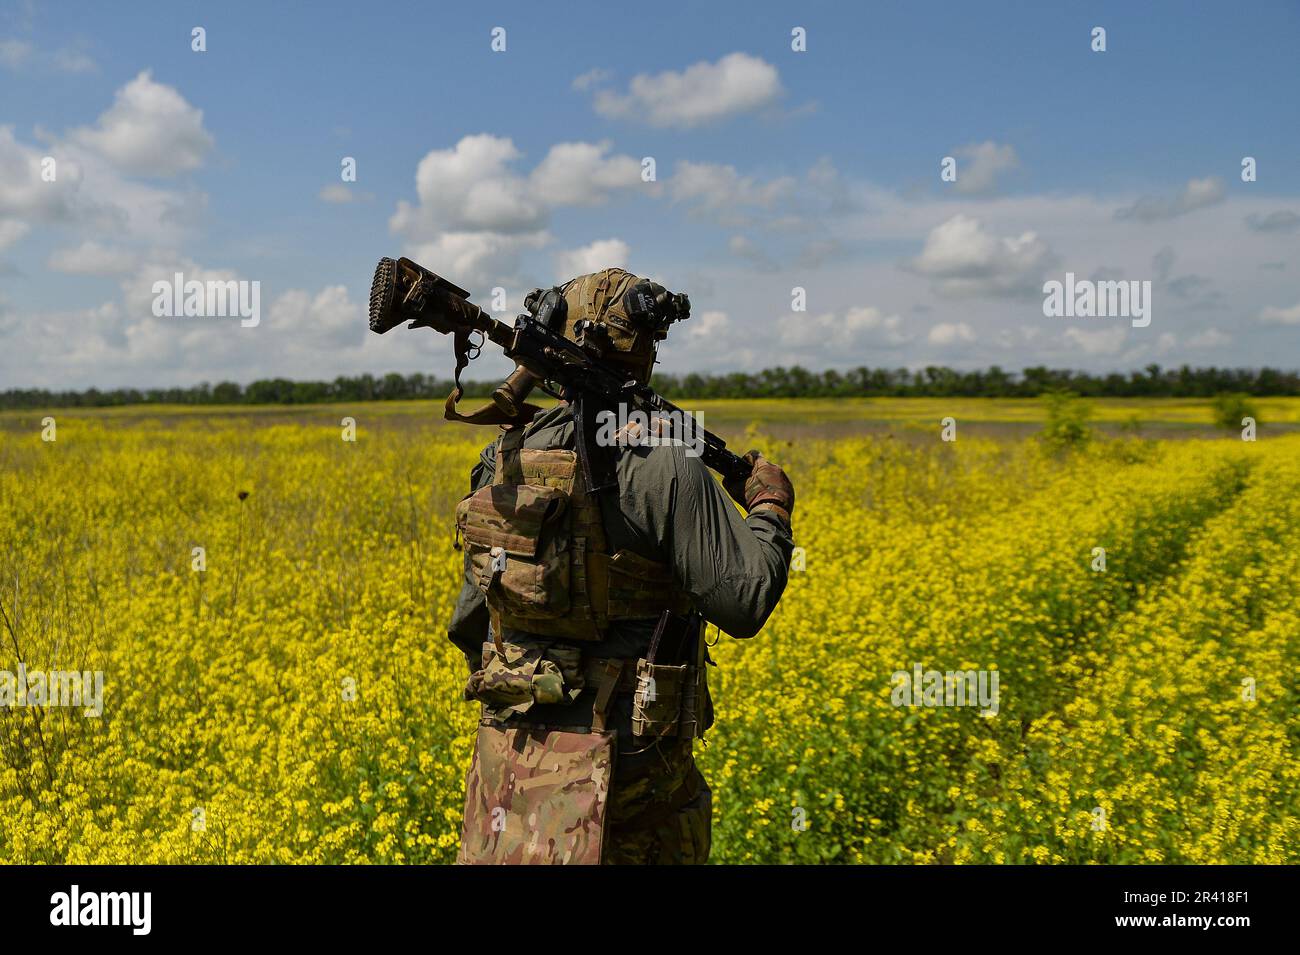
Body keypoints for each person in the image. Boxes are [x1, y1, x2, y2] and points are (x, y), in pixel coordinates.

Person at [447, 267, 794, 864]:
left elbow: (469, 624)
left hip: (514, 767)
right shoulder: (666, 466)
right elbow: (745, 600)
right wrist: (770, 507)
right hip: (631, 778)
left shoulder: (501, 457)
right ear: (644, 351)